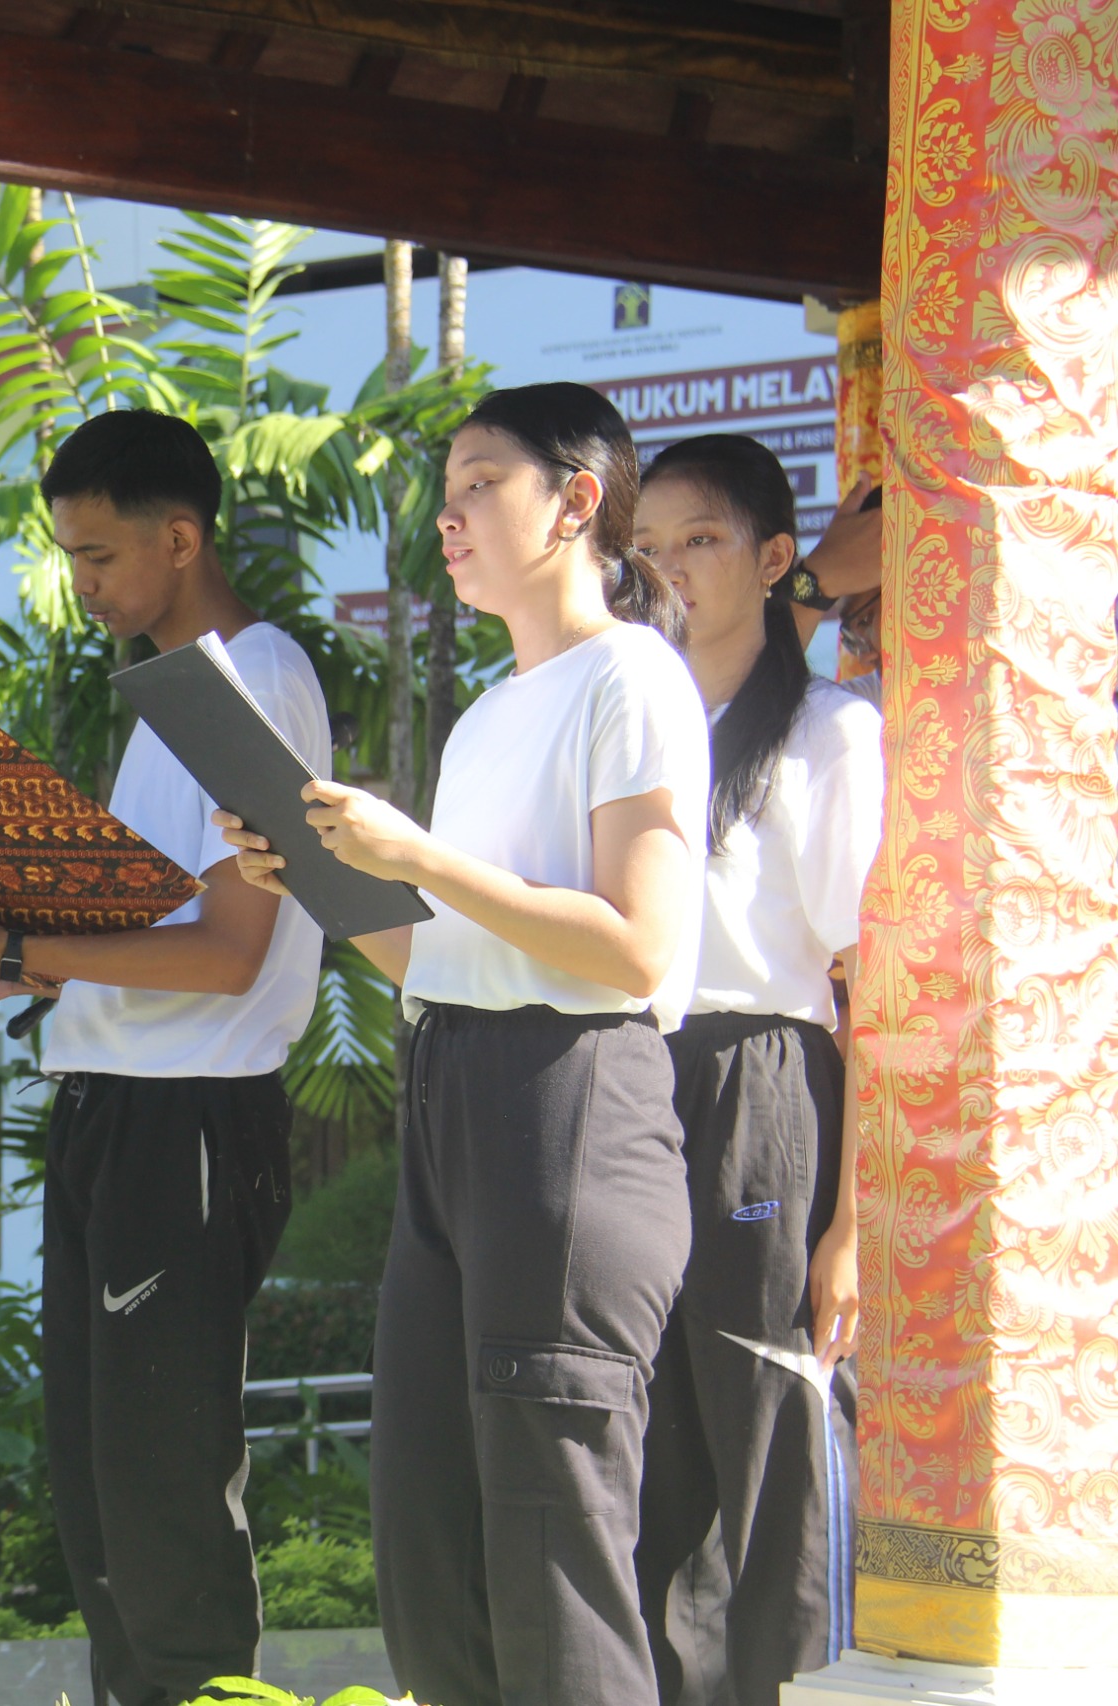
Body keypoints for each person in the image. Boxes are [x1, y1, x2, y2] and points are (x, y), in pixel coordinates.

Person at [218, 382, 709, 1706]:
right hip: (452, 1093)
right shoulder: (497, 713)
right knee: (431, 1548)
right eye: (447, 492)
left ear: (578, 501)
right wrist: (319, 876)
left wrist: (421, 854)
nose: (450, 517)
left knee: (555, 1554)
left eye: (482, 482)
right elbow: (438, 959)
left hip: (570, 1108)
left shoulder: (635, 677)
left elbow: (639, 947)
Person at [0, 409, 329, 1706]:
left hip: (187, 1128)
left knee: (165, 1490)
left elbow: (233, 948)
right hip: (109, 1114)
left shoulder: (260, 679)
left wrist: (20, 943)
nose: (79, 585)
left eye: (94, 555)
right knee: (100, 1495)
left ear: (180, 539)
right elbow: (138, 928)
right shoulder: (169, 697)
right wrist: (7, 957)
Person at [628, 435, 879, 1706]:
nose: (668, 567)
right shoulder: (634, 726)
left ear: (778, 560)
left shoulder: (831, 733)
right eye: (650, 545)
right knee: (650, 1443)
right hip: (633, 1077)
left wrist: (850, 1222)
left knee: (772, 1435)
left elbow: (869, 989)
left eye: (702, 539)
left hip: (768, 1083)